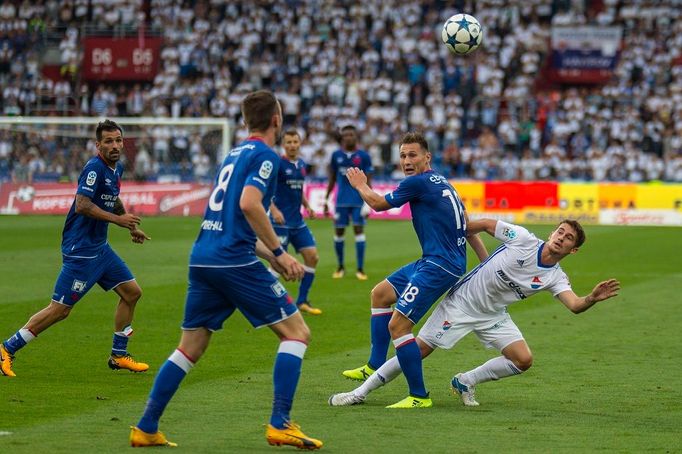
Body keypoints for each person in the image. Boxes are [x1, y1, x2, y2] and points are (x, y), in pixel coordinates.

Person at [130, 90, 322, 450]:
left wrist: (270, 254)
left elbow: (231, 218)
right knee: (297, 333)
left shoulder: (232, 155)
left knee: (190, 346)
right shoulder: (267, 156)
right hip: (233, 260)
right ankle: (280, 422)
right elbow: (250, 205)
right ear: (276, 120)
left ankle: (146, 426)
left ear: (246, 121)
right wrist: (280, 253)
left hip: (204, 255)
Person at [329, 219, 620, 408]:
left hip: (494, 314)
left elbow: (575, 305)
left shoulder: (556, 277)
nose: (561, 238)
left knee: (523, 360)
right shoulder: (522, 238)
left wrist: (592, 298)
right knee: (417, 351)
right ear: (552, 232)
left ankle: (466, 380)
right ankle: (359, 393)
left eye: (568, 238)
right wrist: (468, 244)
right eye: (560, 232)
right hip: (461, 304)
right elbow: (479, 224)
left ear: (573, 250)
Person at [341, 132, 488, 408]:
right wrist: (485, 261)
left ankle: (419, 396)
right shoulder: (442, 181)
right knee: (381, 294)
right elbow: (467, 224)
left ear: (427, 157)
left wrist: (361, 185)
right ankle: (374, 365)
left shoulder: (418, 183)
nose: (407, 161)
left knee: (399, 325)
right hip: (435, 259)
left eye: (412, 155)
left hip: (439, 265)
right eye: (403, 156)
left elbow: (376, 204)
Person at [0, 120, 151, 378]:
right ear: (98, 145)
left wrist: (130, 225)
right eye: (108, 141)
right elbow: (82, 205)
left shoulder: (117, 169)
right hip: (80, 250)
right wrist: (118, 221)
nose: (114, 145)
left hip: (100, 249)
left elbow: (112, 198)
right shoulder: (93, 168)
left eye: (118, 140)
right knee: (60, 309)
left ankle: (118, 355)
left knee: (131, 293)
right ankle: (6, 348)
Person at [270, 129, 322, 315]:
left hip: (297, 222)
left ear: (300, 144)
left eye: (295, 142)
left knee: (312, 257)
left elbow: (298, 190)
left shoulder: (301, 164)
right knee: (278, 264)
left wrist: (307, 206)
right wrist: (274, 210)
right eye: (289, 142)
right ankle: (269, 302)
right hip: (279, 222)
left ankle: (302, 301)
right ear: (283, 144)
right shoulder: (278, 164)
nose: (292, 145)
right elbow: (266, 189)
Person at [322, 125, 373, 280]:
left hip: (358, 200)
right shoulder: (336, 155)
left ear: (356, 136)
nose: (349, 137)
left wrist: (368, 201)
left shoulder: (364, 156)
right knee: (339, 232)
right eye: (346, 135)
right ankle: (340, 267)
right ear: (342, 138)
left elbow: (369, 181)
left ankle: (360, 269)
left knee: (359, 231)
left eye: (351, 134)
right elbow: (332, 179)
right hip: (341, 201)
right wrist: (326, 199)